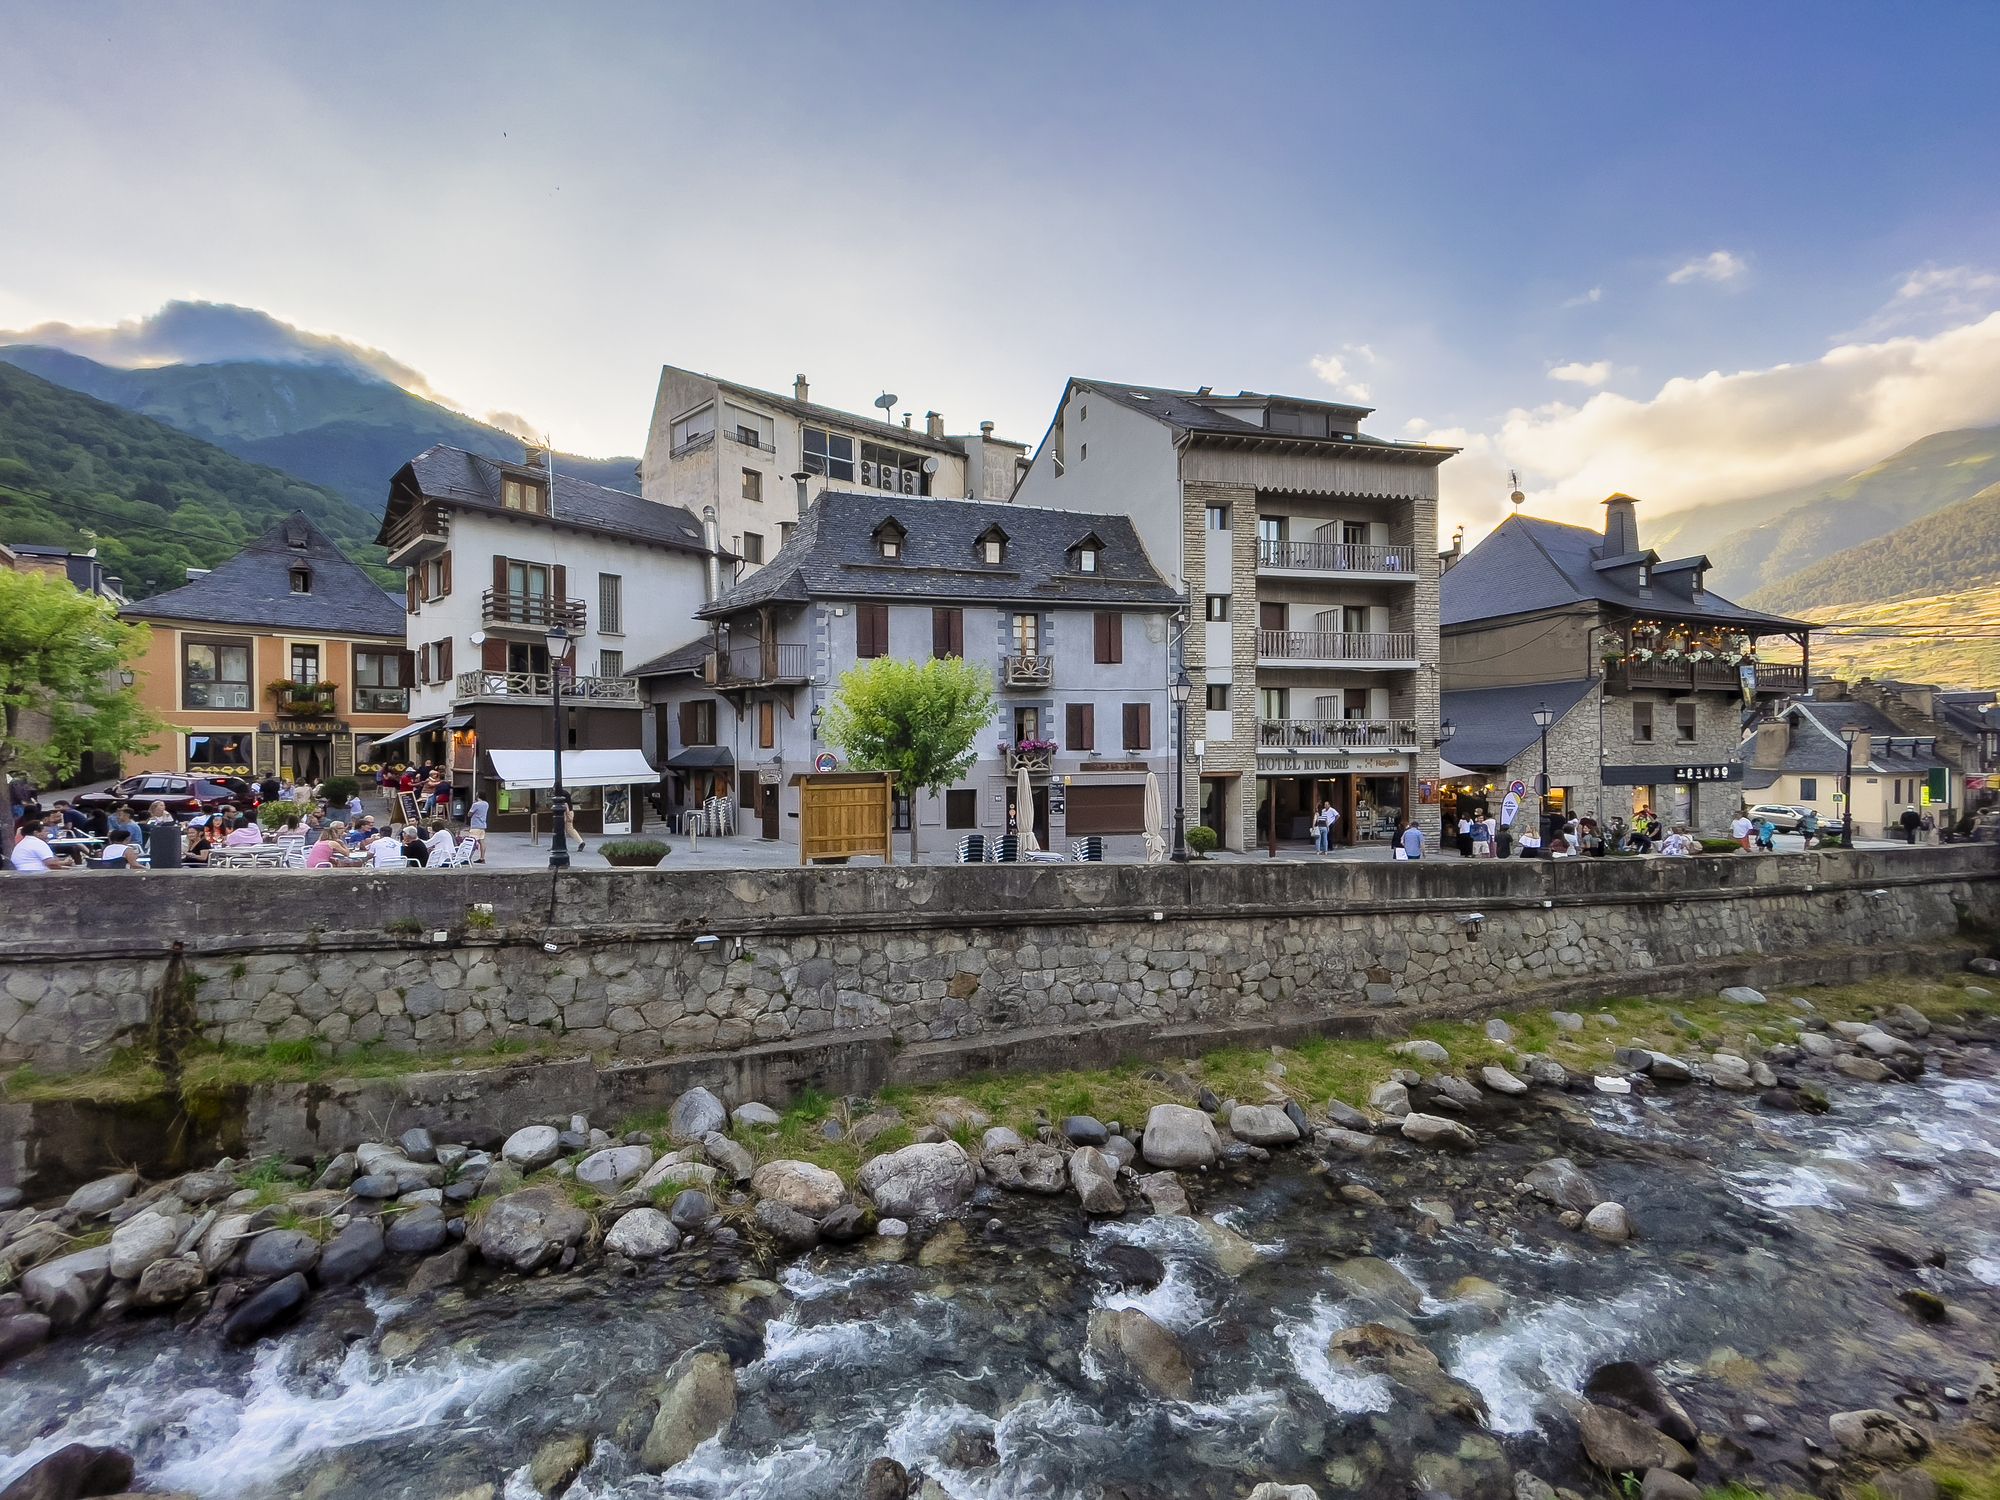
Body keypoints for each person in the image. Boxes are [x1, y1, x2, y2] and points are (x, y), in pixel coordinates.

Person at [8, 817, 74, 872]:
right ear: (36, 833)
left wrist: (63, 864)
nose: (47, 833)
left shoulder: (25, 842)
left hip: (24, 872)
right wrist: (66, 865)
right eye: (44, 831)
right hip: (34, 874)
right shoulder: (38, 843)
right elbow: (51, 864)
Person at [143, 801, 183, 869]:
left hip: (166, 836)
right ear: (155, 807)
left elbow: (171, 823)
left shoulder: (167, 814)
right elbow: (149, 825)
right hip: (153, 836)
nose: (163, 807)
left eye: (163, 805)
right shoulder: (149, 815)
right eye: (161, 805)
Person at [465, 793, 489, 863]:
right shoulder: (486, 804)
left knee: (471, 843)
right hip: (482, 825)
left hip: (475, 826)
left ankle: (467, 858)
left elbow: (469, 814)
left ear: (478, 796)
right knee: (482, 842)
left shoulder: (476, 805)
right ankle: (482, 858)